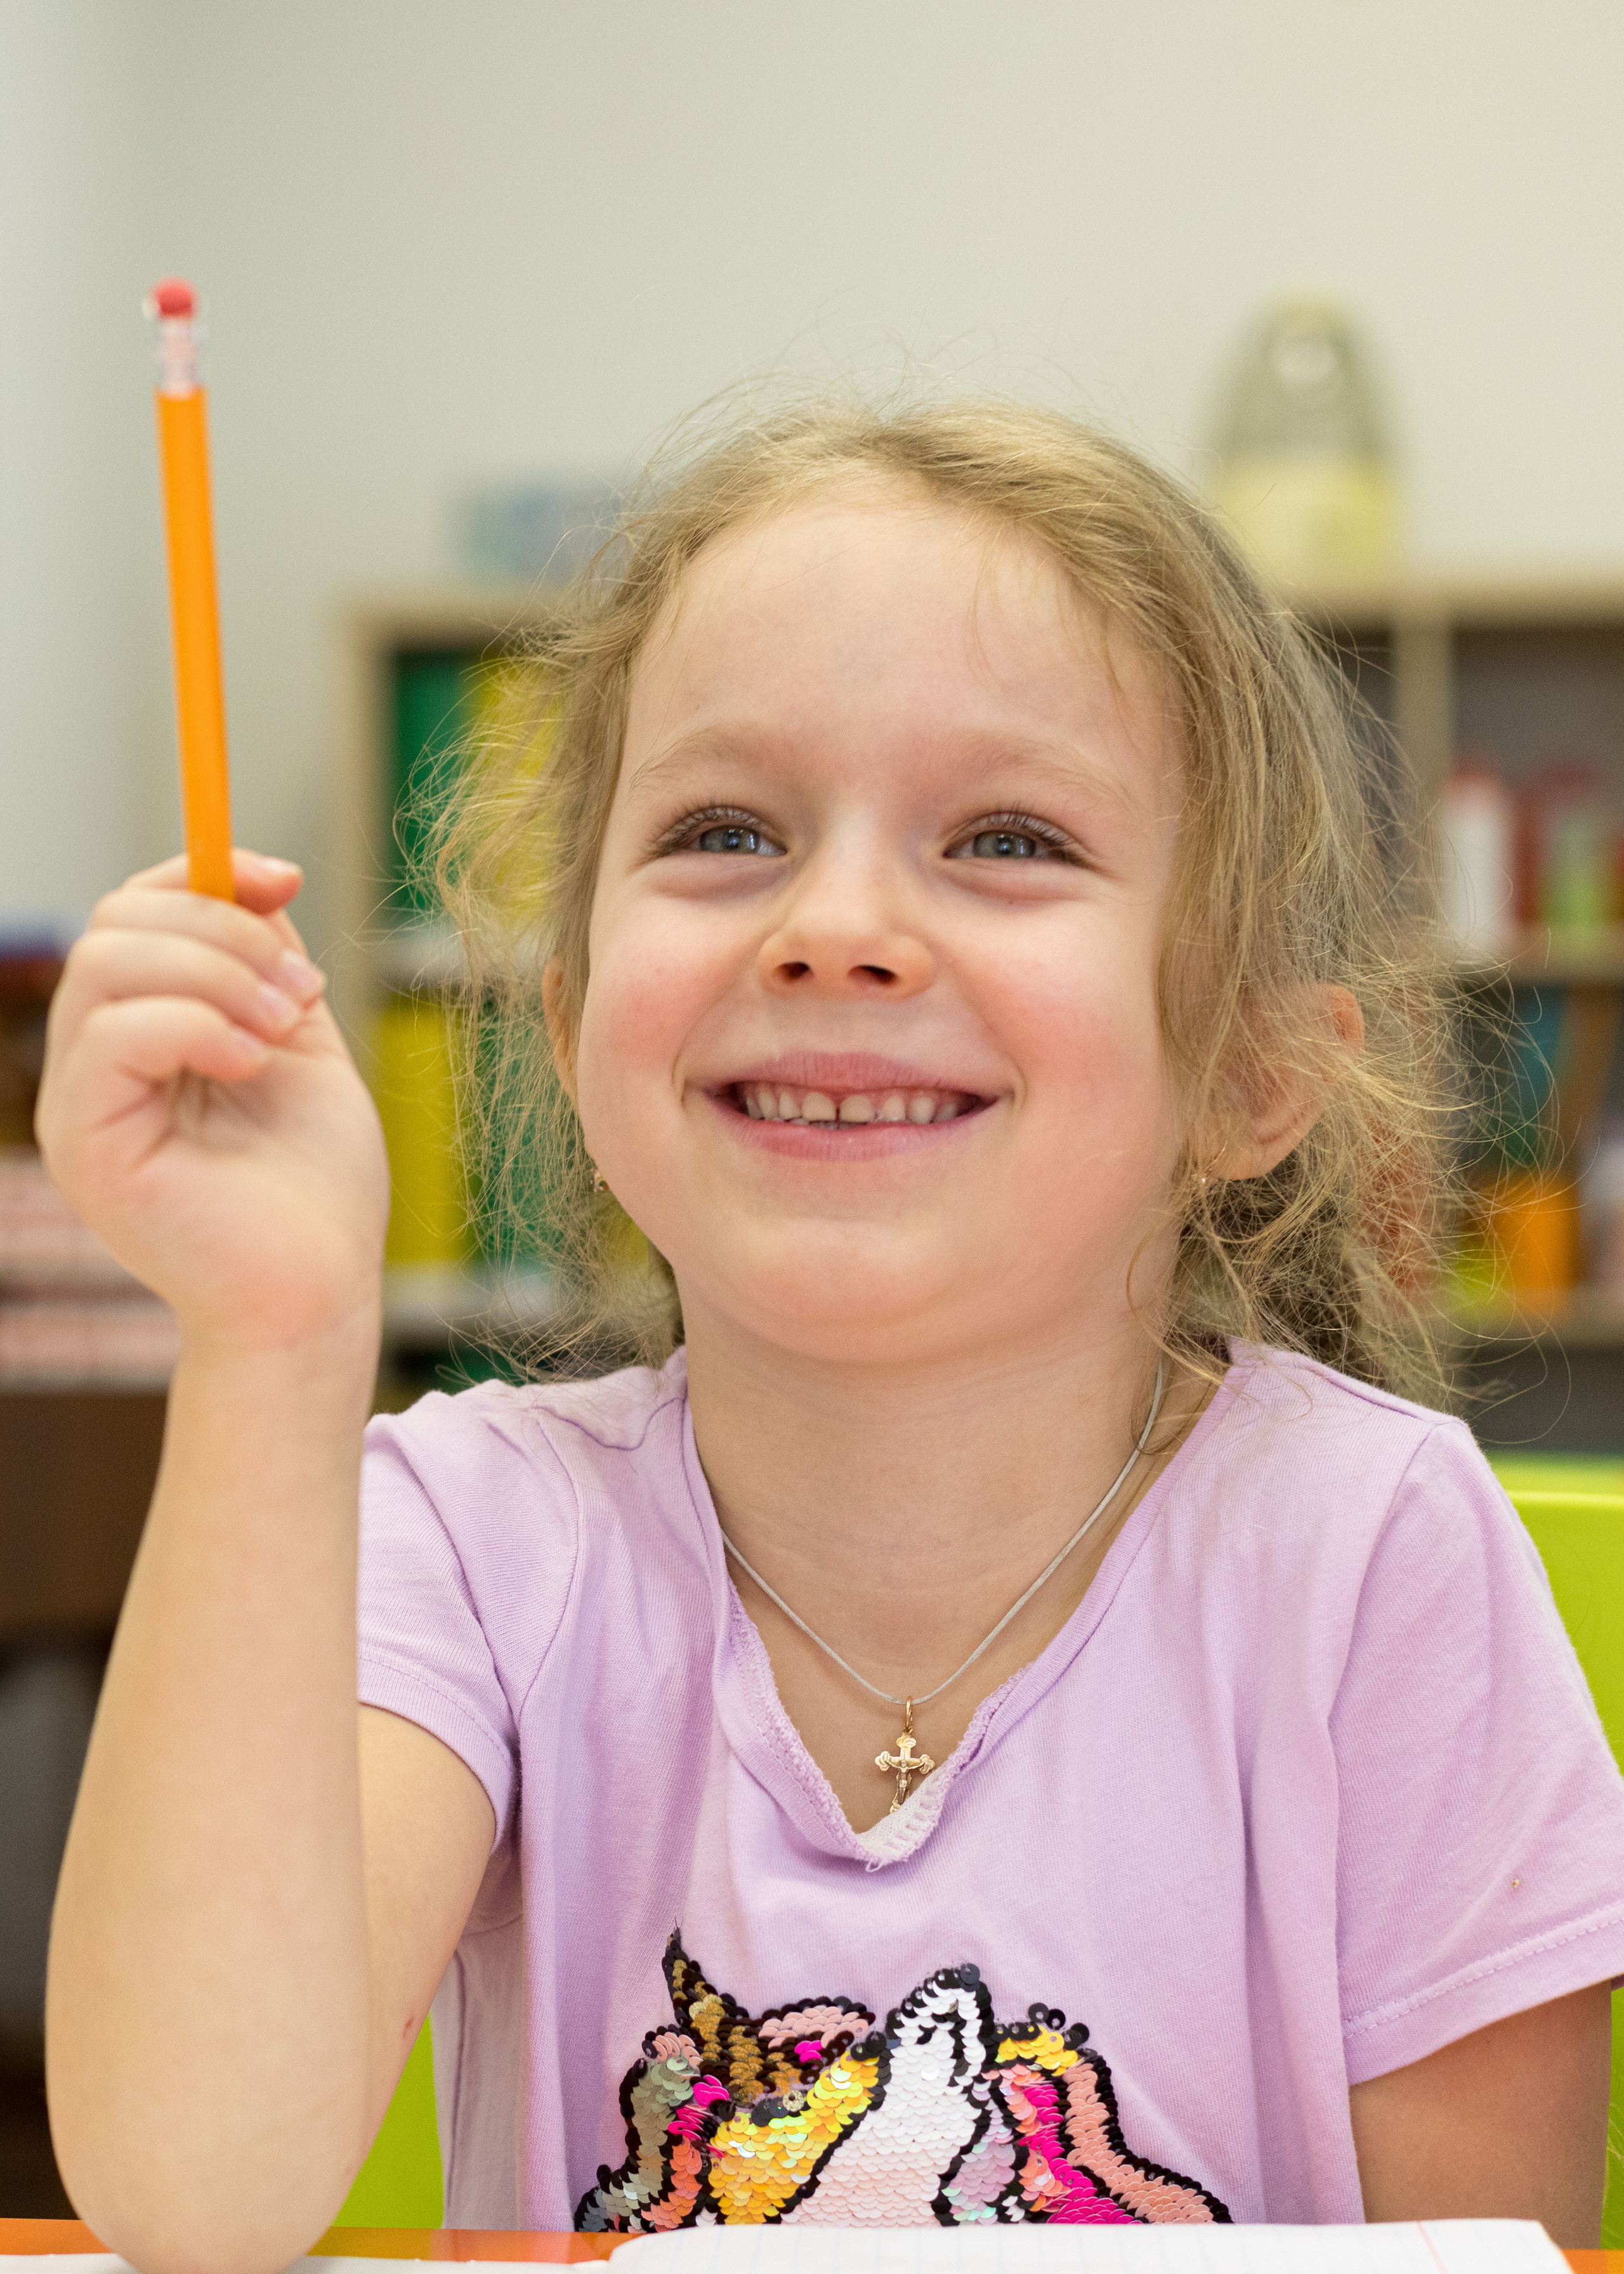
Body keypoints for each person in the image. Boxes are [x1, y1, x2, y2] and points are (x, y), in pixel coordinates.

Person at [37, 401, 1624, 2273]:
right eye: (726, 832)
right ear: (571, 1022)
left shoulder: (1375, 1557)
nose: (836, 926)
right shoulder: (472, 1539)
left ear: (1256, 1067)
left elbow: (1484, 2257)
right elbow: (186, 2196)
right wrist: (273, 1342)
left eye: (1009, 836)